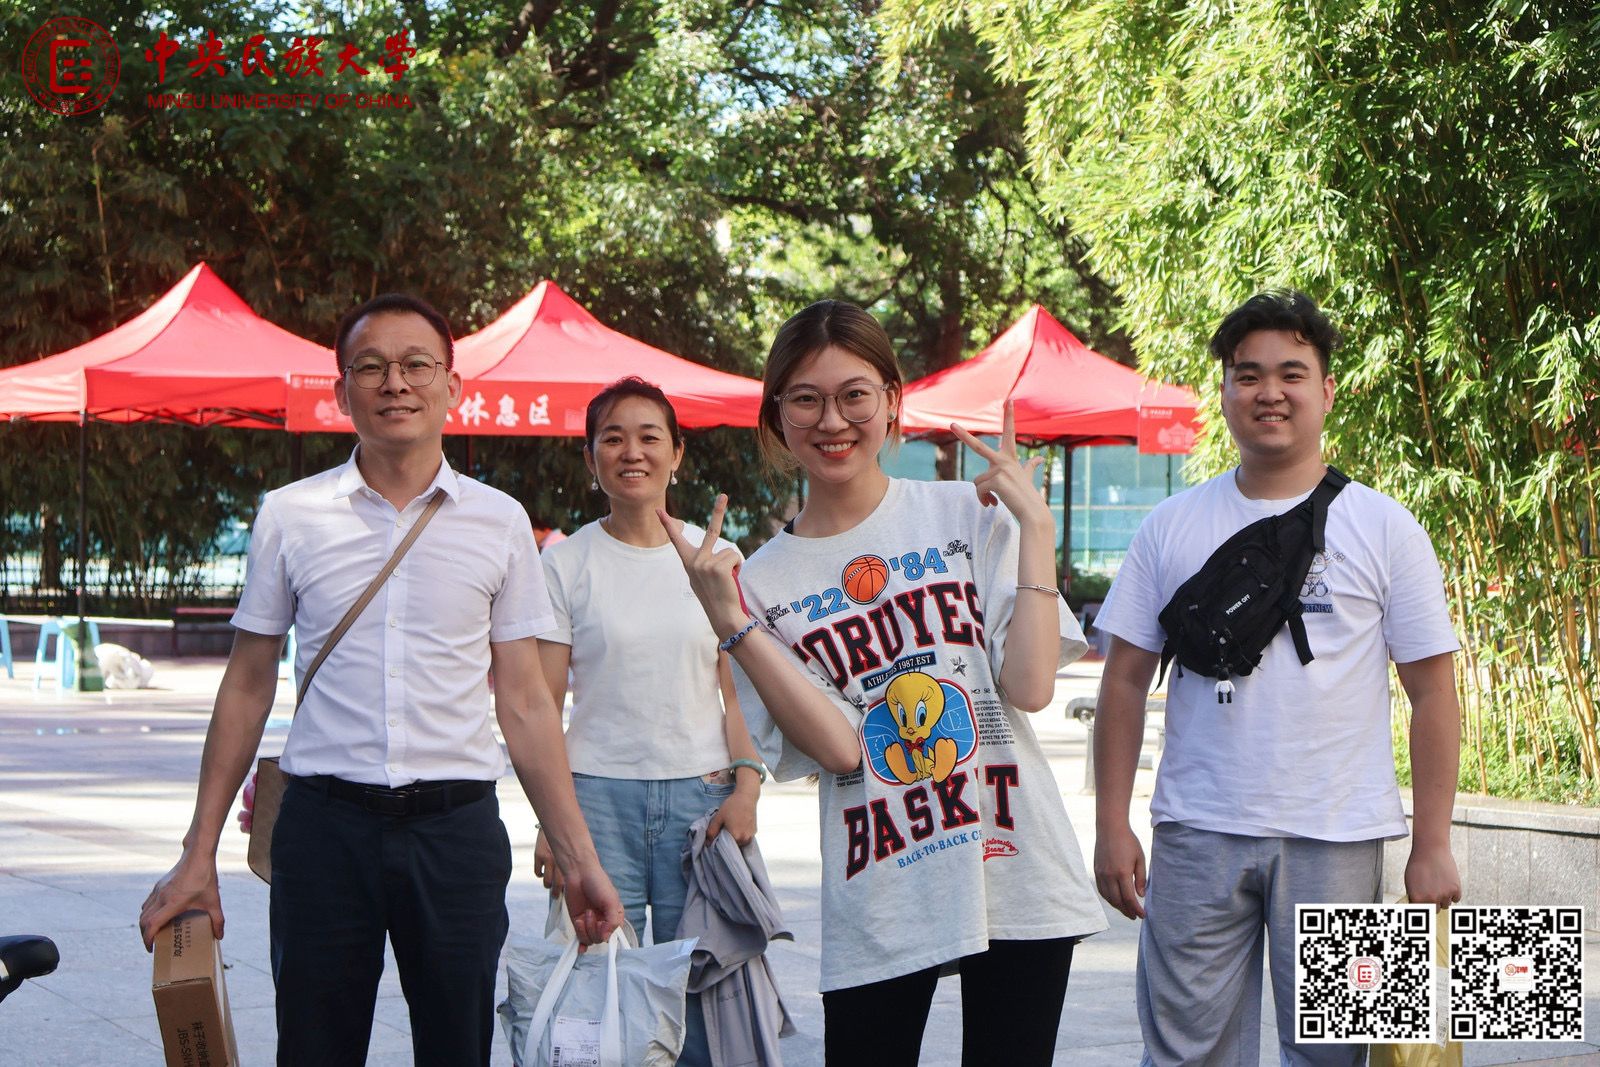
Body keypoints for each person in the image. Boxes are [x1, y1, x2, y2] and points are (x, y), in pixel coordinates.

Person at [138, 293, 624, 1067]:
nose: (395, 382)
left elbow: (527, 700)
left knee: (458, 1048)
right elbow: (247, 684)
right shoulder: (291, 515)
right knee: (314, 1049)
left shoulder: (499, 520)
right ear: (342, 391)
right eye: (371, 367)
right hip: (323, 832)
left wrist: (578, 857)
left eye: (415, 364)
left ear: (451, 386)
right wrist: (197, 853)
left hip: (456, 834)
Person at [661, 300, 1108, 1067]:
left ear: (893, 400)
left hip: (1017, 861)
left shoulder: (965, 513)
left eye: (854, 395)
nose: (832, 420)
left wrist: (1035, 528)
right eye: (807, 398)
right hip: (882, 881)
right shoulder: (760, 581)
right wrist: (731, 620)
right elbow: (843, 748)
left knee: (1320, 1031)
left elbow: (1031, 686)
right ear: (777, 415)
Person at [1091, 290, 1462, 1066]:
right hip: (1196, 828)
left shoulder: (1386, 526)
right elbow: (1123, 680)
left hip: (1339, 833)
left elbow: (1433, 690)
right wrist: (1111, 824)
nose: (1270, 392)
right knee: (1185, 1054)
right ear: (1225, 390)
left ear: (1327, 390)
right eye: (1248, 374)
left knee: (1334, 1057)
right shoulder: (1170, 525)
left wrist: (1432, 843)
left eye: (1292, 373)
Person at [530, 375, 764, 1067]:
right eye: (613, 438)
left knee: (704, 994)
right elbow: (541, 703)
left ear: (677, 453)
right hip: (595, 803)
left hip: (701, 801)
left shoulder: (716, 558)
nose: (632, 452)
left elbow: (740, 694)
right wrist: (551, 822)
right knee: (602, 994)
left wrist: (747, 788)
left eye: (649, 436)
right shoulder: (565, 564)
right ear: (591, 457)